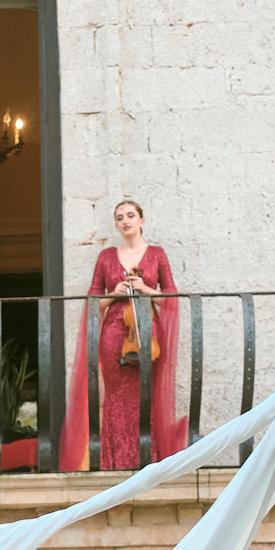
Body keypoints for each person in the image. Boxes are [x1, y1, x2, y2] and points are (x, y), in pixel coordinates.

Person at [59, 199, 186, 472]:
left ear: (141, 221)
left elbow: (171, 299)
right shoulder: (106, 257)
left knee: (146, 394)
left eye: (130, 215)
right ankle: (114, 462)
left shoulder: (157, 254)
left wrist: (145, 289)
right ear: (116, 225)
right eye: (120, 217)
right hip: (114, 334)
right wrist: (113, 294)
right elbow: (92, 301)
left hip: (149, 332)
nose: (125, 221)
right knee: (116, 397)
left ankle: (149, 462)